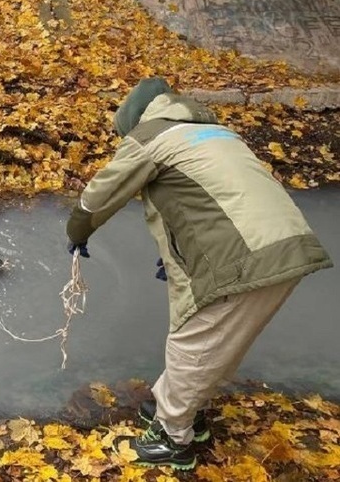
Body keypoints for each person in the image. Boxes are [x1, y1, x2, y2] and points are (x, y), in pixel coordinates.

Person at [65, 77, 333, 470]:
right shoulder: (215, 133)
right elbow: (208, 201)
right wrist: (178, 255)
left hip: (247, 255)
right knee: (213, 337)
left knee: (195, 344)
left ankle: (173, 439)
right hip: (281, 244)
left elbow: (99, 196)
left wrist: (77, 232)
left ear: (135, 120)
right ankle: (186, 414)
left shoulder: (151, 136)